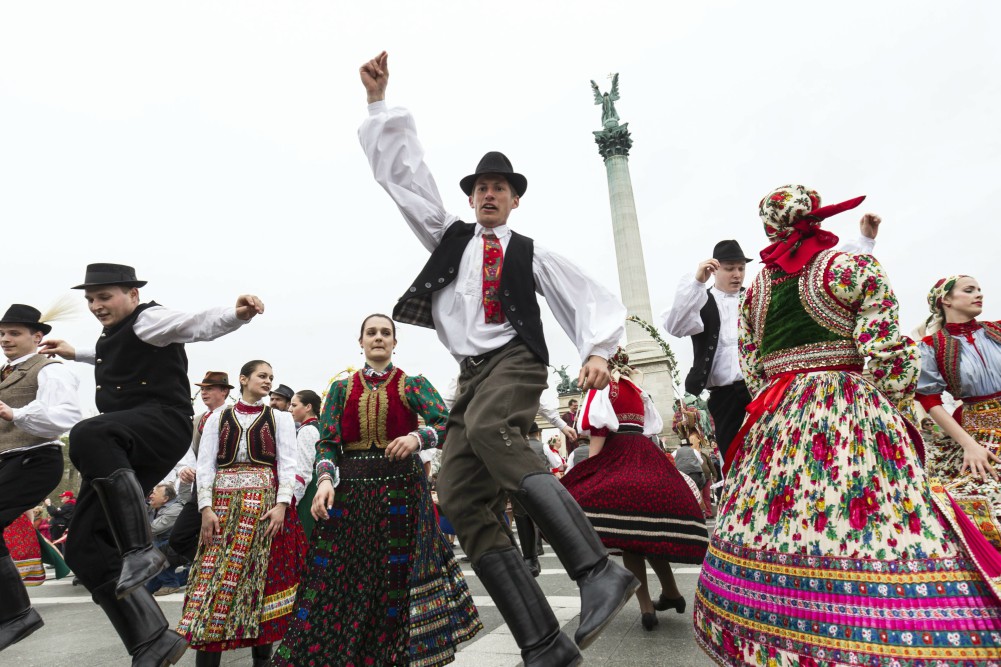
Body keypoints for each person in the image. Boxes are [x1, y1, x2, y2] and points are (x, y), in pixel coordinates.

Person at [359, 51, 637, 665]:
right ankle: (542, 641)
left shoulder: (531, 253)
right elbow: (406, 182)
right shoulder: (449, 237)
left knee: (490, 428)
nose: (489, 195)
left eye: (499, 189)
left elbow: (588, 298)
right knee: (458, 493)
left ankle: (597, 571)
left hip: (515, 360)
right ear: (473, 197)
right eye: (481, 188)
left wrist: (597, 352)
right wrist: (380, 106)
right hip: (471, 374)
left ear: (514, 201)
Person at [694, 185, 1001, 665]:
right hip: (849, 406)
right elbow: (886, 357)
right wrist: (890, 397)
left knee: (782, 515)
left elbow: (752, 366)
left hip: (780, 415)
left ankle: (777, 625)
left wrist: (782, 398)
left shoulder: (755, 292)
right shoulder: (851, 268)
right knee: (877, 512)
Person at [39, 263, 263, 666]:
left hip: (160, 422)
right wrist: (74, 352)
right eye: (90, 299)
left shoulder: (151, 319)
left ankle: (141, 548)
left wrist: (237, 314)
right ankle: (152, 639)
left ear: (133, 294)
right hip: (126, 440)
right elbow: (107, 353)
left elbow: (195, 324)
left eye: (105, 296)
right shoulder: (114, 336)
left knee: (89, 432)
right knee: (83, 548)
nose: (96, 305)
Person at [273, 314, 481, 667]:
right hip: (351, 492)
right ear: (361, 341)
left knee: (396, 576)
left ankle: (395, 655)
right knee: (343, 575)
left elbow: (449, 423)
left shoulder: (412, 384)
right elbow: (327, 443)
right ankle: (345, 652)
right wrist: (325, 479)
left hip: (402, 491)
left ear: (395, 343)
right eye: (372, 333)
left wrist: (418, 438)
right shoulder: (341, 389)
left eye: (386, 333)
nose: (379, 338)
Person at [661, 225, 878, 460]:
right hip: (724, 397)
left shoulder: (756, 295)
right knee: (734, 460)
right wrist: (696, 283)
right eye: (730, 269)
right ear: (715, 270)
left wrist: (864, 240)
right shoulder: (700, 299)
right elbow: (676, 326)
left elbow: (817, 271)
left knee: (775, 454)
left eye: (741, 268)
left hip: (764, 388)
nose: (737, 274)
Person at [563, 349, 709, 632]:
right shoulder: (635, 388)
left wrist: (590, 472)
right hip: (647, 456)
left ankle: (646, 608)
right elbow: (647, 428)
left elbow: (600, 431)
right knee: (648, 531)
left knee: (630, 538)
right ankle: (672, 592)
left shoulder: (602, 386)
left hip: (620, 456)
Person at [177, 360, 306, 667]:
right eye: (262, 376)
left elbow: (288, 463)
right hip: (222, 508)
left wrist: (282, 504)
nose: (268, 381)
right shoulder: (218, 417)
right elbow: (206, 464)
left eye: (271, 377)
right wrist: (205, 507)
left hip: (263, 509)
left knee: (259, 583)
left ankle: (262, 661)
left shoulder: (279, 418)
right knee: (211, 583)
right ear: (243, 379)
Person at [0, 303, 82, 652]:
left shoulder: (50, 370)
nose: (6, 339)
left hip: (35, 458)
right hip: (7, 461)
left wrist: (15, 413)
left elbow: (64, 416)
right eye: (2, 334)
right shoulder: (5, 373)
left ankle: (18, 613)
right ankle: (15, 612)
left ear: (37, 337)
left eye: (15, 333)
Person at [915, 276, 1001, 538]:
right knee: (975, 495)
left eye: (979, 289)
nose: (979, 294)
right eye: (969, 290)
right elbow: (929, 399)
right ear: (946, 300)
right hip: (978, 427)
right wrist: (969, 445)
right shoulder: (931, 346)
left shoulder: (997, 330)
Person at [166, 371, 234, 567]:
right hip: (199, 487)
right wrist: (184, 469)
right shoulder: (197, 420)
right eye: (202, 389)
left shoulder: (232, 416)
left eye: (209, 389)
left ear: (224, 392)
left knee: (222, 532)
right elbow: (185, 452)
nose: (204, 393)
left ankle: (218, 568)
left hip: (225, 484)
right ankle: (213, 565)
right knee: (179, 538)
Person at [289, 389, 321, 538]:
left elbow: (304, 470)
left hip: (309, 489)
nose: (290, 409)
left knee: (305, 535)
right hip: (318, 484)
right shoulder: (319, 426)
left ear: (308, 407)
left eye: (294, 405)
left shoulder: (307, 430)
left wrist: (293, 500)